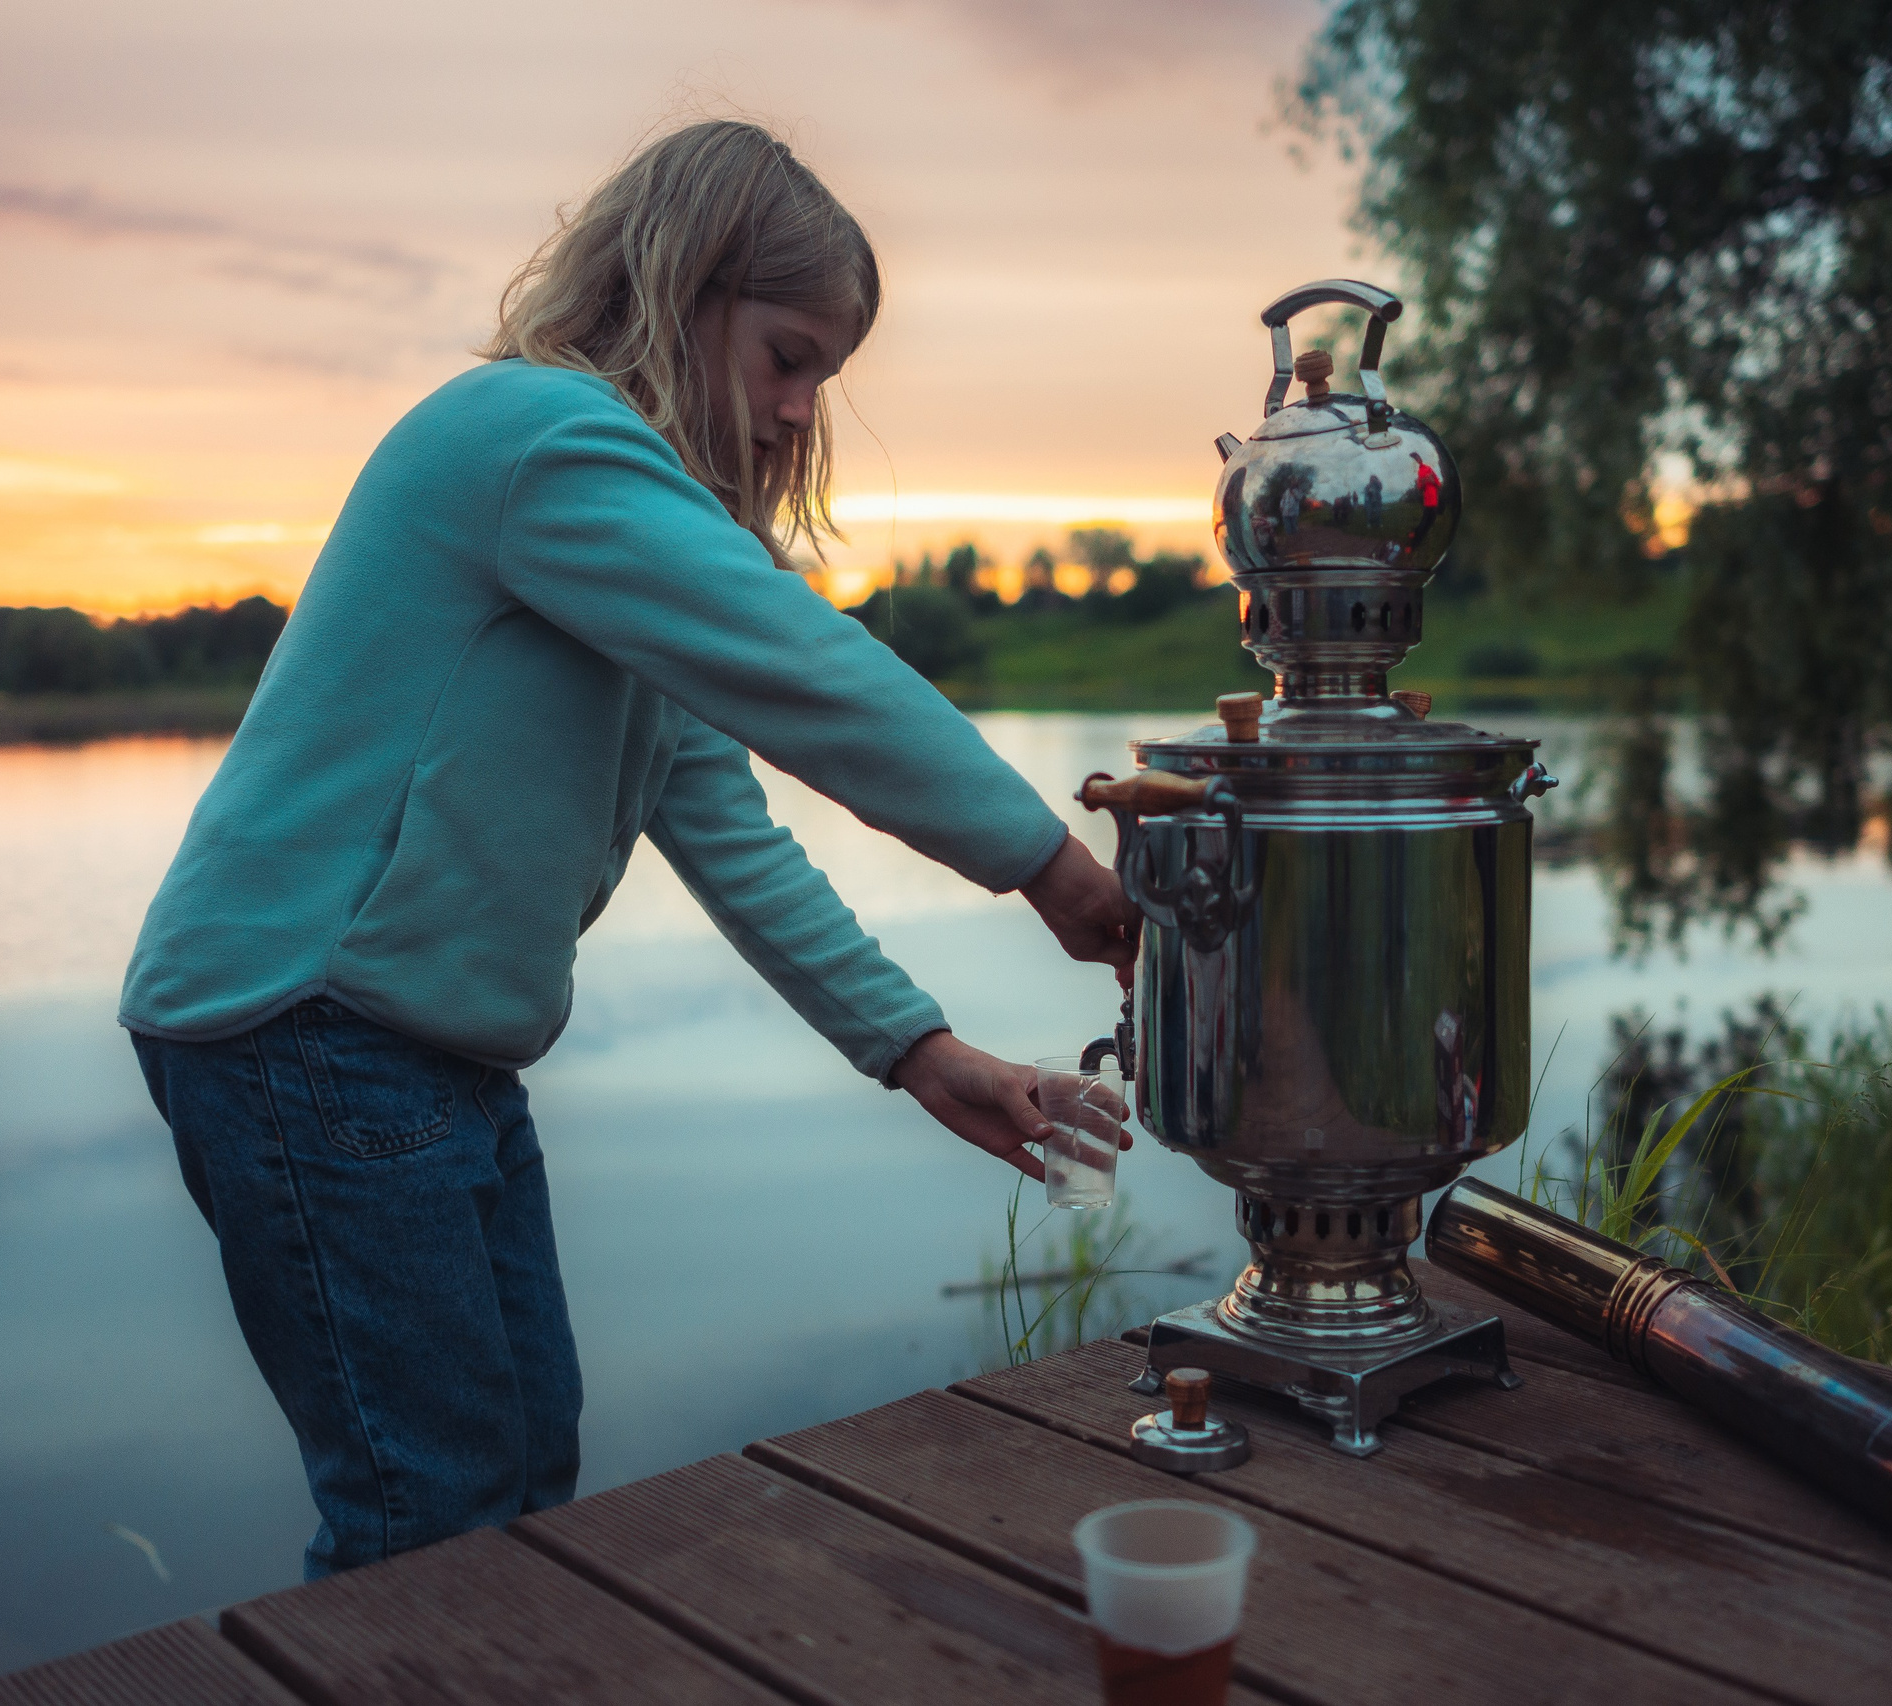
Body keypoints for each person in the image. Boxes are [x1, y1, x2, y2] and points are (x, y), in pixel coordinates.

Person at [119, 119, 1139, 1579]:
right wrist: (1051, 861)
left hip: (418, 1049)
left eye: (823, 378)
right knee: (433, 1514)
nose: (799, 411)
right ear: (683, 287)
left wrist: (921, 1049)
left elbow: (732, 832)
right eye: (788, 356)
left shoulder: (612, 523)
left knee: (524, 1473)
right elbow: (809, 670)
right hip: (306, 1031)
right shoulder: (538, 441)